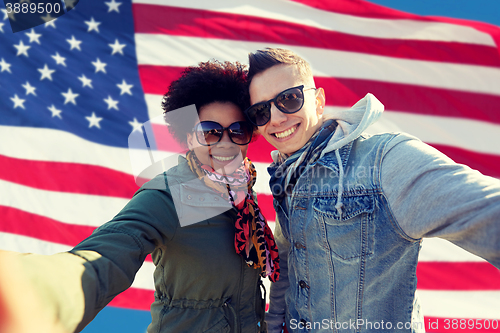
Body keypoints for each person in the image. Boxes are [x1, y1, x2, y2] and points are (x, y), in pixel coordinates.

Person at [0, 60, 279, 333]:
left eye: (237, 131)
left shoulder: (241, 194)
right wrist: (28, 292)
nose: (225, 142)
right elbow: (107, 255)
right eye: (209, 132)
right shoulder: (170, 193)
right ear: (189, 138)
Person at [244, 48, 500, 333]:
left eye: (289, 99)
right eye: (261, 111)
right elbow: (287, 280)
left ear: (318, 102)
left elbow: (490, 212)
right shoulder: (288, 179)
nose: (276, 118)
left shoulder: (384, 160)